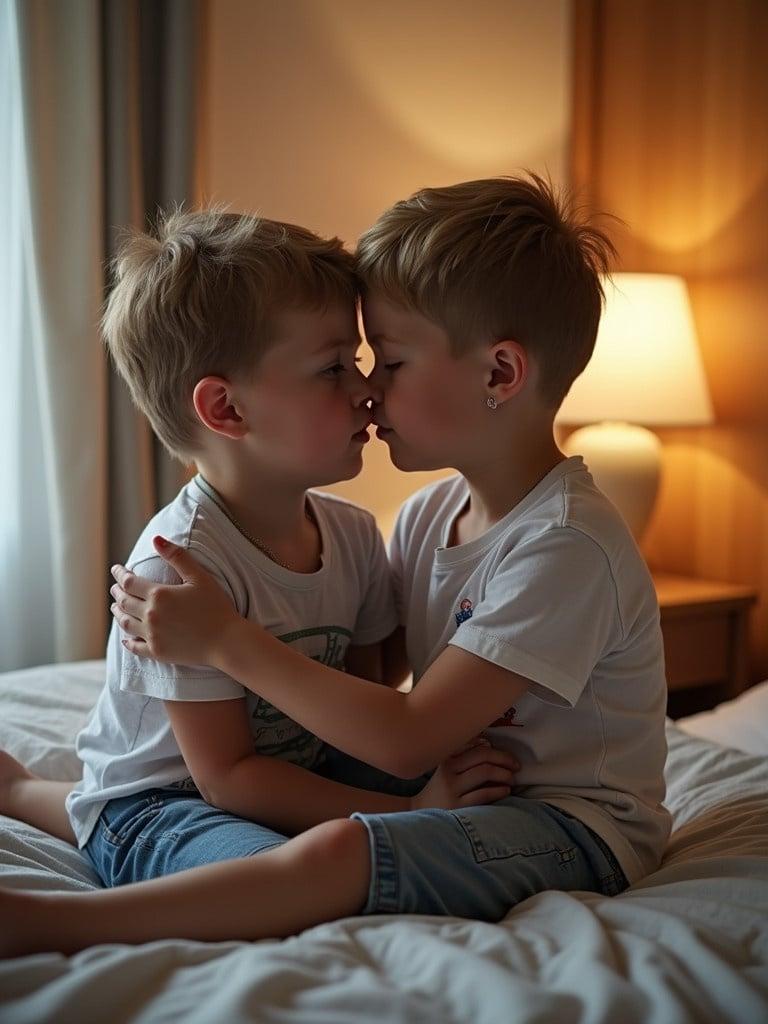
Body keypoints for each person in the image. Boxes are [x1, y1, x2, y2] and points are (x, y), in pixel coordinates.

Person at [1, 175, 672, 958]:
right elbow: (350, 709)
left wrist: (226, 641)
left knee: (337, 852)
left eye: (386, 362)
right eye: (349, 366)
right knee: (319, 833)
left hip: (572, 825)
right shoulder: (421, 520)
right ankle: (47, 854)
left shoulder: (565, 548)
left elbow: (401, 733)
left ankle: (46, 885)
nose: (367, 391)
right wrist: (409, 796)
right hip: (436, 786)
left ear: (498, 375)